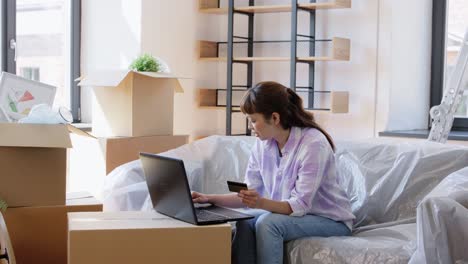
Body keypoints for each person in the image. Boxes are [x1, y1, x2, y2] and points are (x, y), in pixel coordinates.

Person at [191, 81, 355, 264]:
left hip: (330, 220)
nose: (250, 126)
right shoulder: (262, 145)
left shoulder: (313, 144)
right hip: (295, 215)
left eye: (254, 120)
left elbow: (299, 205)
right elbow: (248, 197)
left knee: (268, 224)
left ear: (275, 118)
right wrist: (209, 198)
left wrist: (259, 202)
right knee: (245, 221)